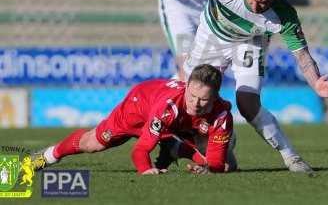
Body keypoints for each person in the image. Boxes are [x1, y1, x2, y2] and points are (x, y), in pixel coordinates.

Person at [127, 0, 328, 173]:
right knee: (192, 94)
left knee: (247, 102)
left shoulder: (285, 15)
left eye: (263, 1)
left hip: (250, 42)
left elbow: (303, 56)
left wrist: (316, 82)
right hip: (212, 37)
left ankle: (291, 157)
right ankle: (183, 146)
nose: (256, 5)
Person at [30, 64, 234, 175]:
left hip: (175, 122)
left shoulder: (222, 114)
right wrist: (146, 170)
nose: (196, 104)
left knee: (223, 165)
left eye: (203, 100)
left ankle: (171, 144)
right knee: (93, 144)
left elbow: (216, 163)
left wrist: (210, 168)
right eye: (192, 96)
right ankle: (48, 155)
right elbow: (140, 151)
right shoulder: (167, 107)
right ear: (187, 86)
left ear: (215, 97)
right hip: (137, 108)